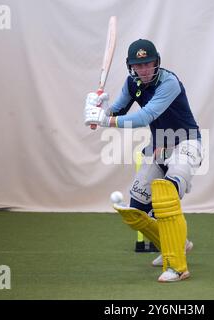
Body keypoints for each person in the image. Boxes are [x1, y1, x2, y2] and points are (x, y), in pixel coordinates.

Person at [84, 39, 202, 282]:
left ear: (156, 63)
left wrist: (106, 120)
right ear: (131, 67)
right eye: (139, 65)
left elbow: (145, 116)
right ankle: (176, 244)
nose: (145, 70)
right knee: (136, 212)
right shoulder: (132, 83)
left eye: (149, 64)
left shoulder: (169, 82)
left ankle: (177, 267)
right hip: (158, 149)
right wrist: (98, 111)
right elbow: (116, 111)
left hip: (186, 143)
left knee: (166, 193)